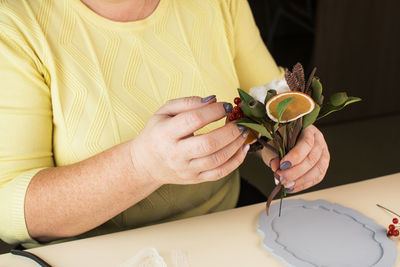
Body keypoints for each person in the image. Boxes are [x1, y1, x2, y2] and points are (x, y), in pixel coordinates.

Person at [0, 0, 330, 247]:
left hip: (221, 232)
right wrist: (139, 166)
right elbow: (7, 210)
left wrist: (289, 138)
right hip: (94, 252)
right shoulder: (14, 22)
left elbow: (270, 97)